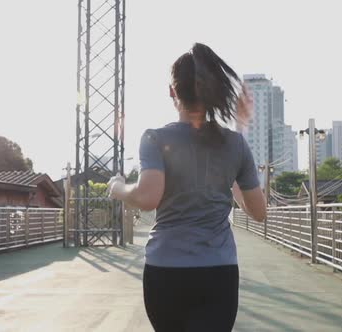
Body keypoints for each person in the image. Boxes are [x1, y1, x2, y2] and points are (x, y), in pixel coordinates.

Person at [107, 42, 267, 332]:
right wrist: (229, 168)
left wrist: (117, 187)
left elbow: (147, 196)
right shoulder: (235, 143)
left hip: (166, 271)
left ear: (172, 91)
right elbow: (258, 212)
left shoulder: (155, 138)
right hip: (219, 273)